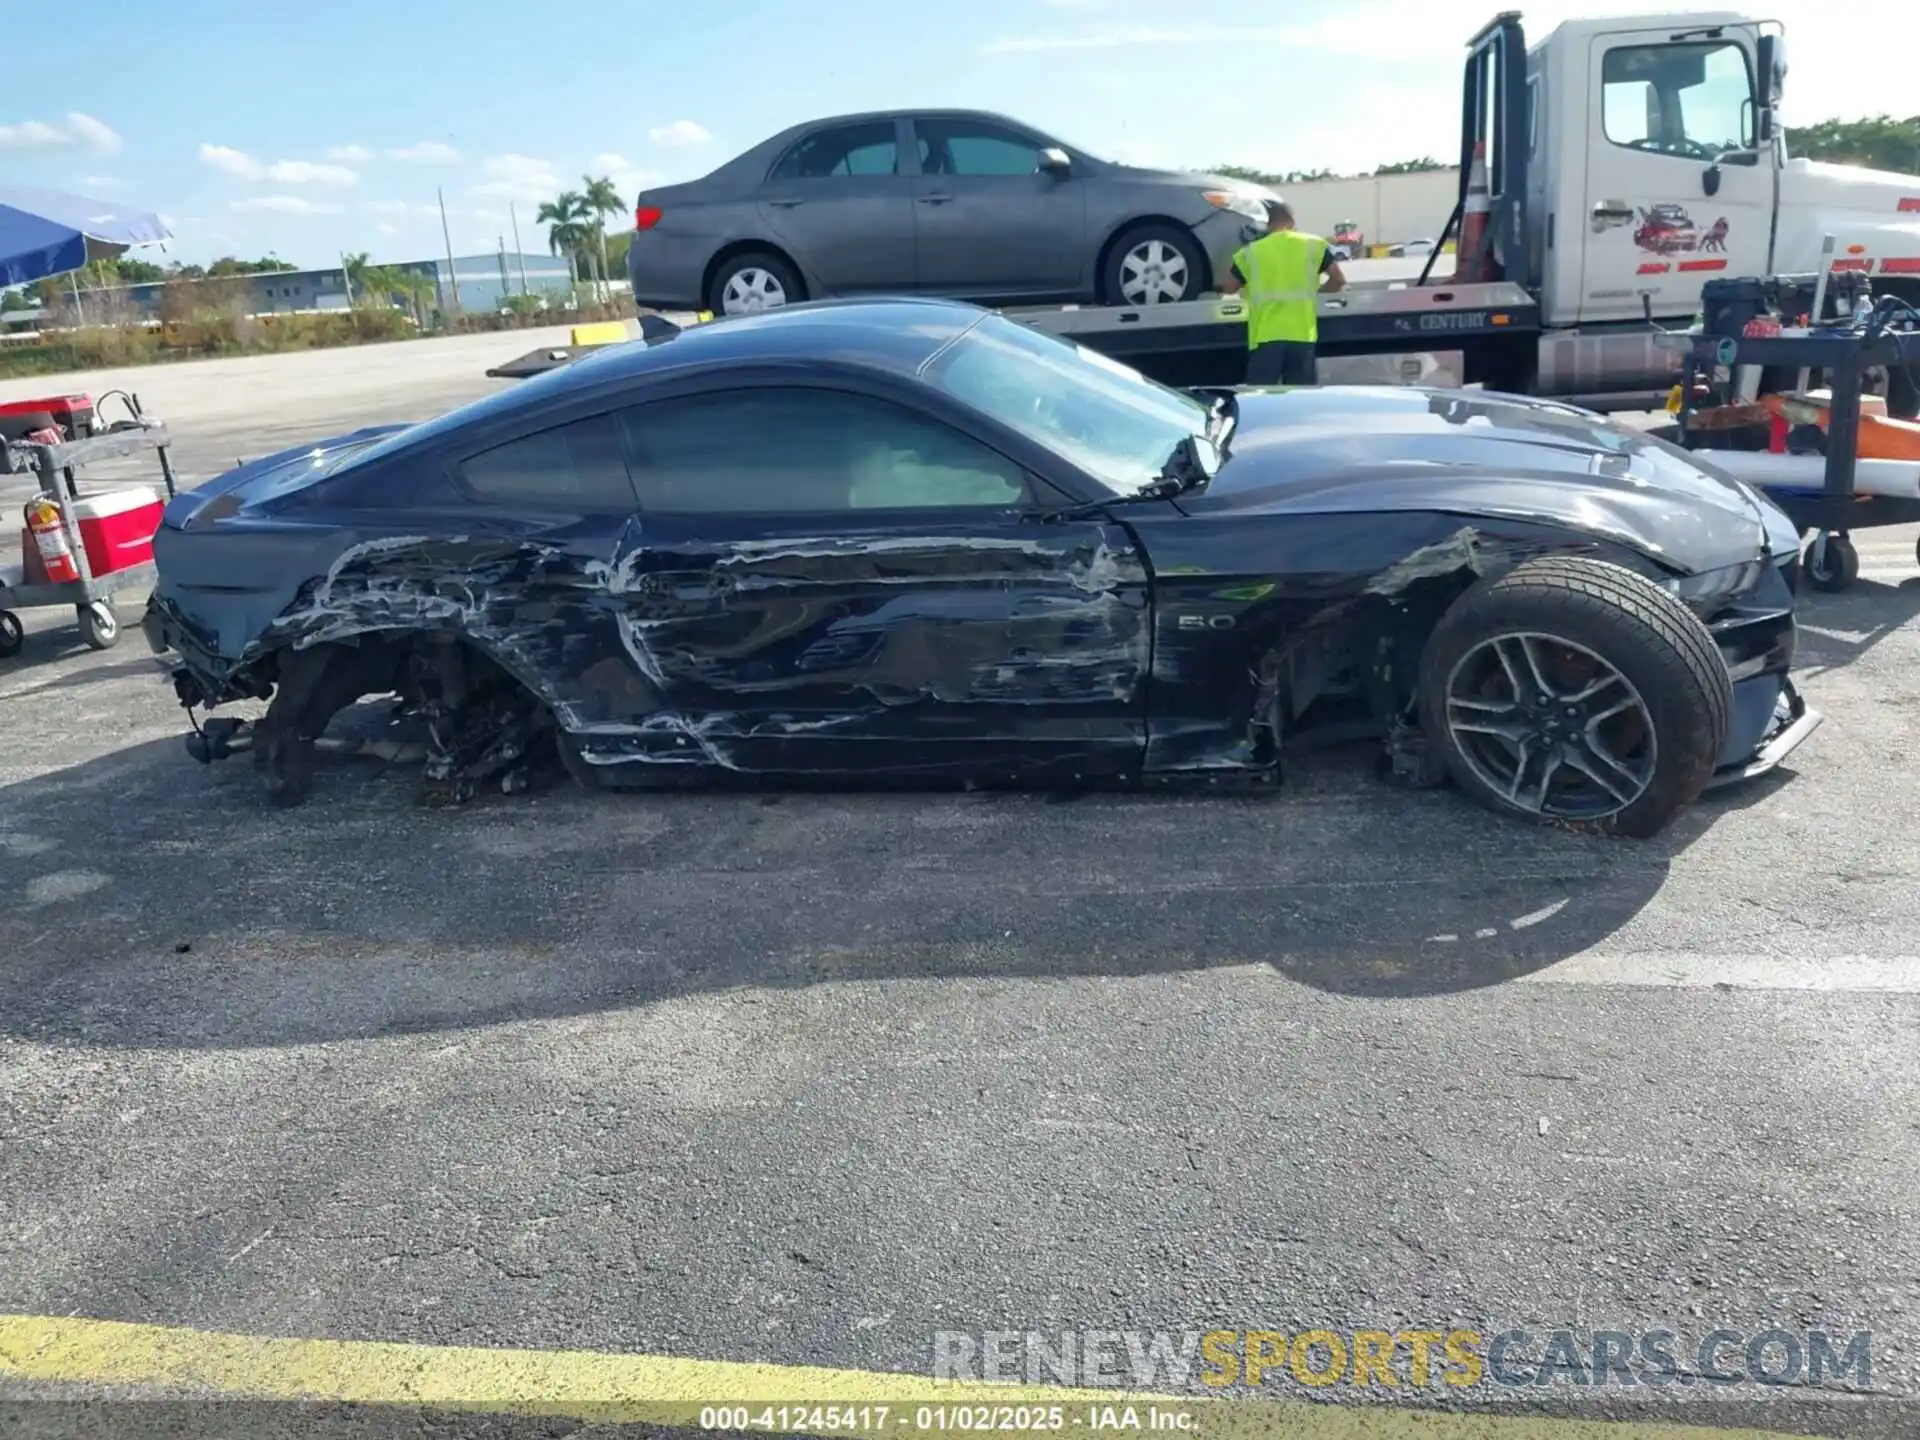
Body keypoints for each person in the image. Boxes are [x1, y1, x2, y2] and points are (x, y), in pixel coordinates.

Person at [1220, 199, 1345, 386]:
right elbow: (1338, 280)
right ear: (1291, 221)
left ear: (1268, 224)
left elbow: (1228, 287)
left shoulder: (1252, 251)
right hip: (1302, 335)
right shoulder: (1314, 245)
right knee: (1300, 400)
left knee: (1261, 399)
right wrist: (1315, 293)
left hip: (1265, 337)